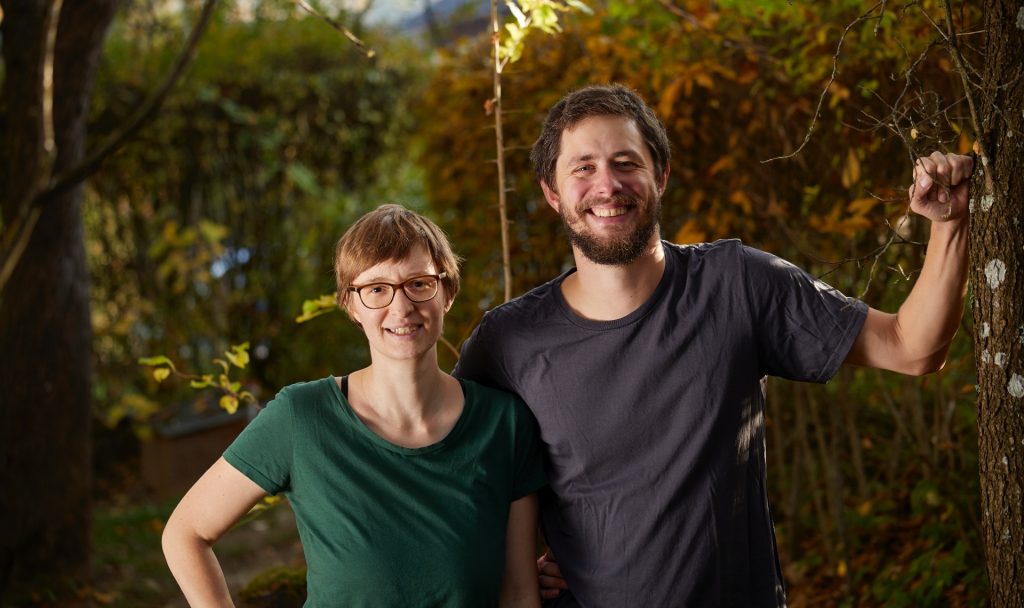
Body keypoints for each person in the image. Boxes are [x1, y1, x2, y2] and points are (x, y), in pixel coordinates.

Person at [453, 84, 972, 607]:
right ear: (552, 192)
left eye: (625, 162)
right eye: (582, 168)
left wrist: (948, 224)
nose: (607, 186)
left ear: (661, 175)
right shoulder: (508, 342)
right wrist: (505, 564)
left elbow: (913, 347)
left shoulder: (737, 284)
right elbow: (440, 475)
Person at [163, 204, 547, 607]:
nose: (401, 308)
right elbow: (185, 533)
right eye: (377, 289)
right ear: (350, 304)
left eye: (419, 283)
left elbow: (519, 593)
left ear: (447, 292)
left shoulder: (504, 423)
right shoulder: (302, 417)